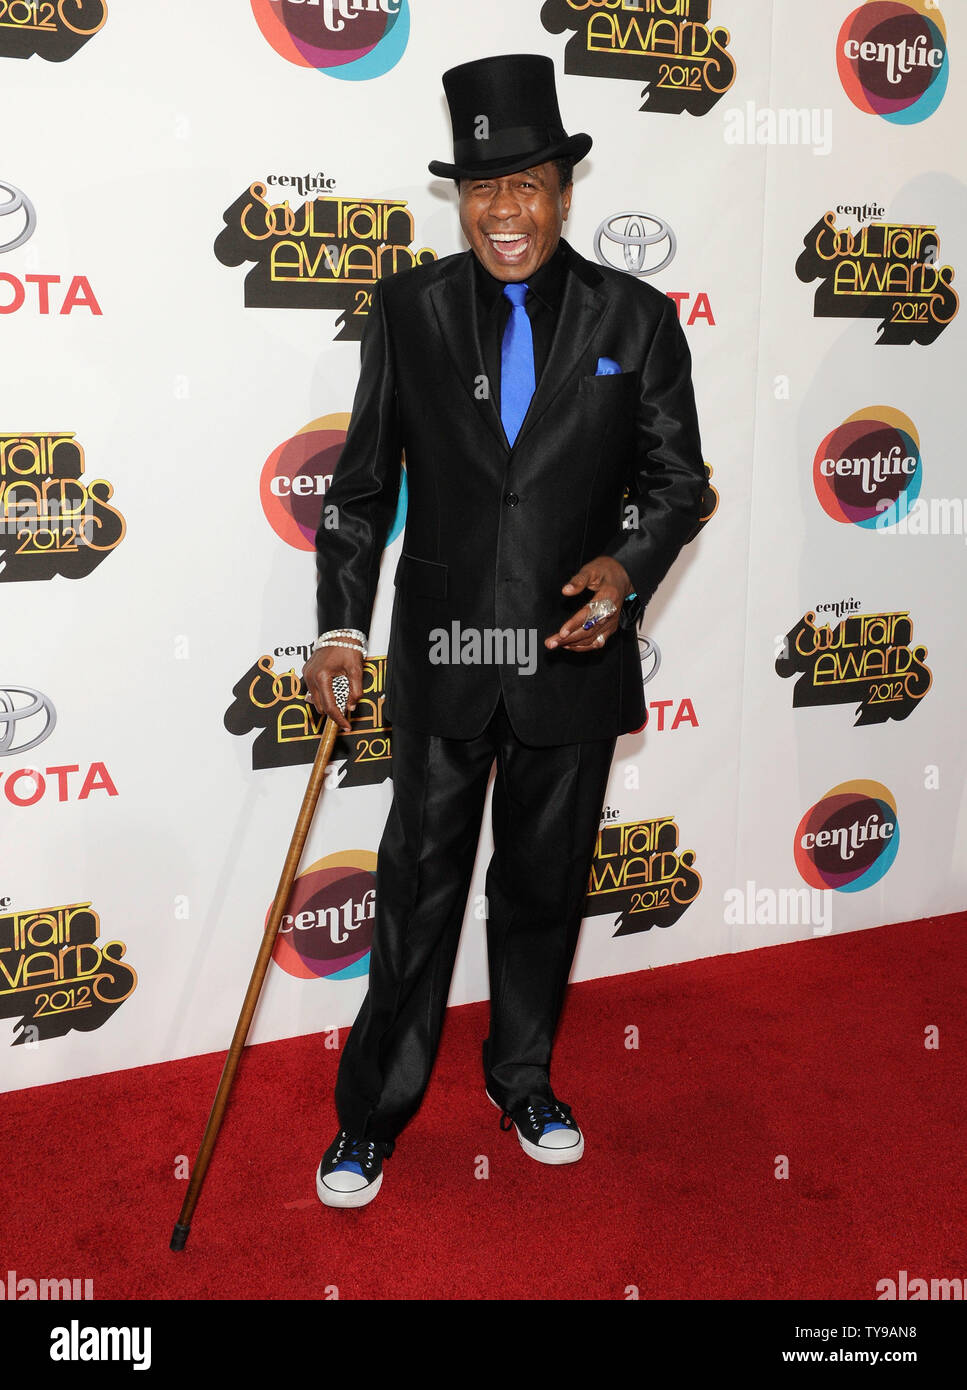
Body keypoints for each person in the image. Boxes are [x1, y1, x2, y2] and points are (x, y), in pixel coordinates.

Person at [303, 53, 706, 1207]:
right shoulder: (411, 308)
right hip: (443, 658)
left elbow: (678, 483)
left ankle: (521, 1076)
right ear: (459, 199)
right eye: (481, 187)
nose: (503, 210)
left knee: (540, 889)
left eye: (525, 182)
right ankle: (372, 1113)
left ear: (563, 190)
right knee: (416, 893)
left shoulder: (637, 316)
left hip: (569, 661)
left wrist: (626, 572)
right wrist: (336, 632)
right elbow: (361, 485)